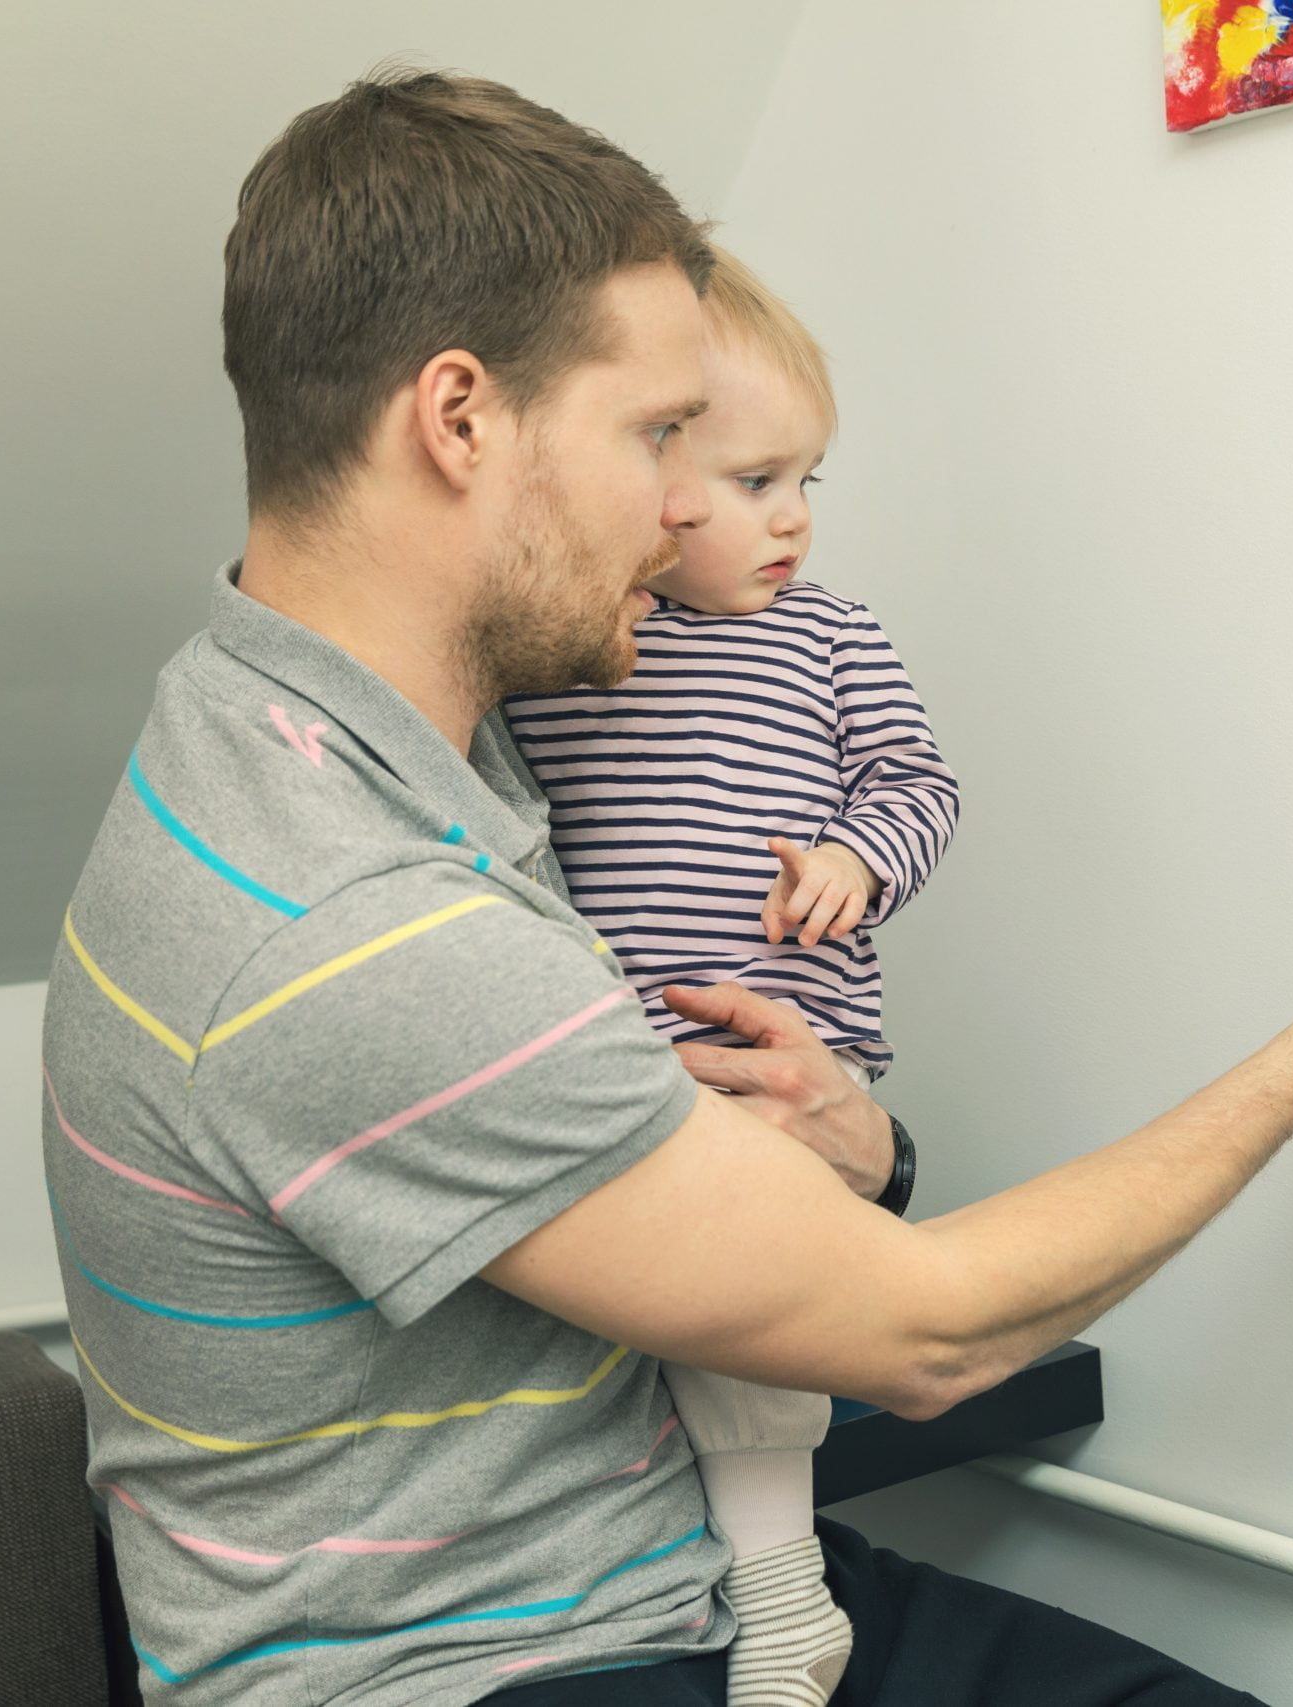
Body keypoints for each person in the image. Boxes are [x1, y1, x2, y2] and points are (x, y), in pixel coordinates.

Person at [41, 70, 1293, 1707]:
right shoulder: (340, 913)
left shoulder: (391, 735)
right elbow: (928, 1337)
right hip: (469, 1675)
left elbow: (663, 1189)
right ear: (458, 422)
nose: (689, 506)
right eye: (657, 435)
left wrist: (865, 1146)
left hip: (676, 1583)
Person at [503, 244, 959, 1704]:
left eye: (810, 482)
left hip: (788, 1056)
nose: (797, 523)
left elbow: (921, 781)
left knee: (748, 1328)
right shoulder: (574, 656)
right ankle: (718, 1580)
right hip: (630, 1063)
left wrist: (862, 856)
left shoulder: (831, 639)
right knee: (636, 1331)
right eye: (758, 482)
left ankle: (781, 1597)